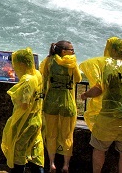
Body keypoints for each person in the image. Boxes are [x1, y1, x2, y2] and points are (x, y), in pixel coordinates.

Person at [79, 37, 122, 173]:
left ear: (112, 50)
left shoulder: (109, 67)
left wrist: (85, 95)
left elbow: (99, 89)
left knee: (99, 148)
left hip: (109, 117)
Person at [1, 48, 45, 173]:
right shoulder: (37, 74)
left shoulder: (27, 80)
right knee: (35, 152)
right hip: (36, 119)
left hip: (25, 122)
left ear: (21, 64)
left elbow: (24, 104)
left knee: (18, 152)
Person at [40, 41, 80, 173]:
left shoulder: (49, 61)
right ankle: (66, 165)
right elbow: (78, 79)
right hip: (67, 102)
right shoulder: (72, 63)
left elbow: (43, 77)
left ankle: (52, 163)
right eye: (71, 50)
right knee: (67, 135)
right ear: (64, 51)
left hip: (51, 101)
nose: (73, 52)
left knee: (51, 134)